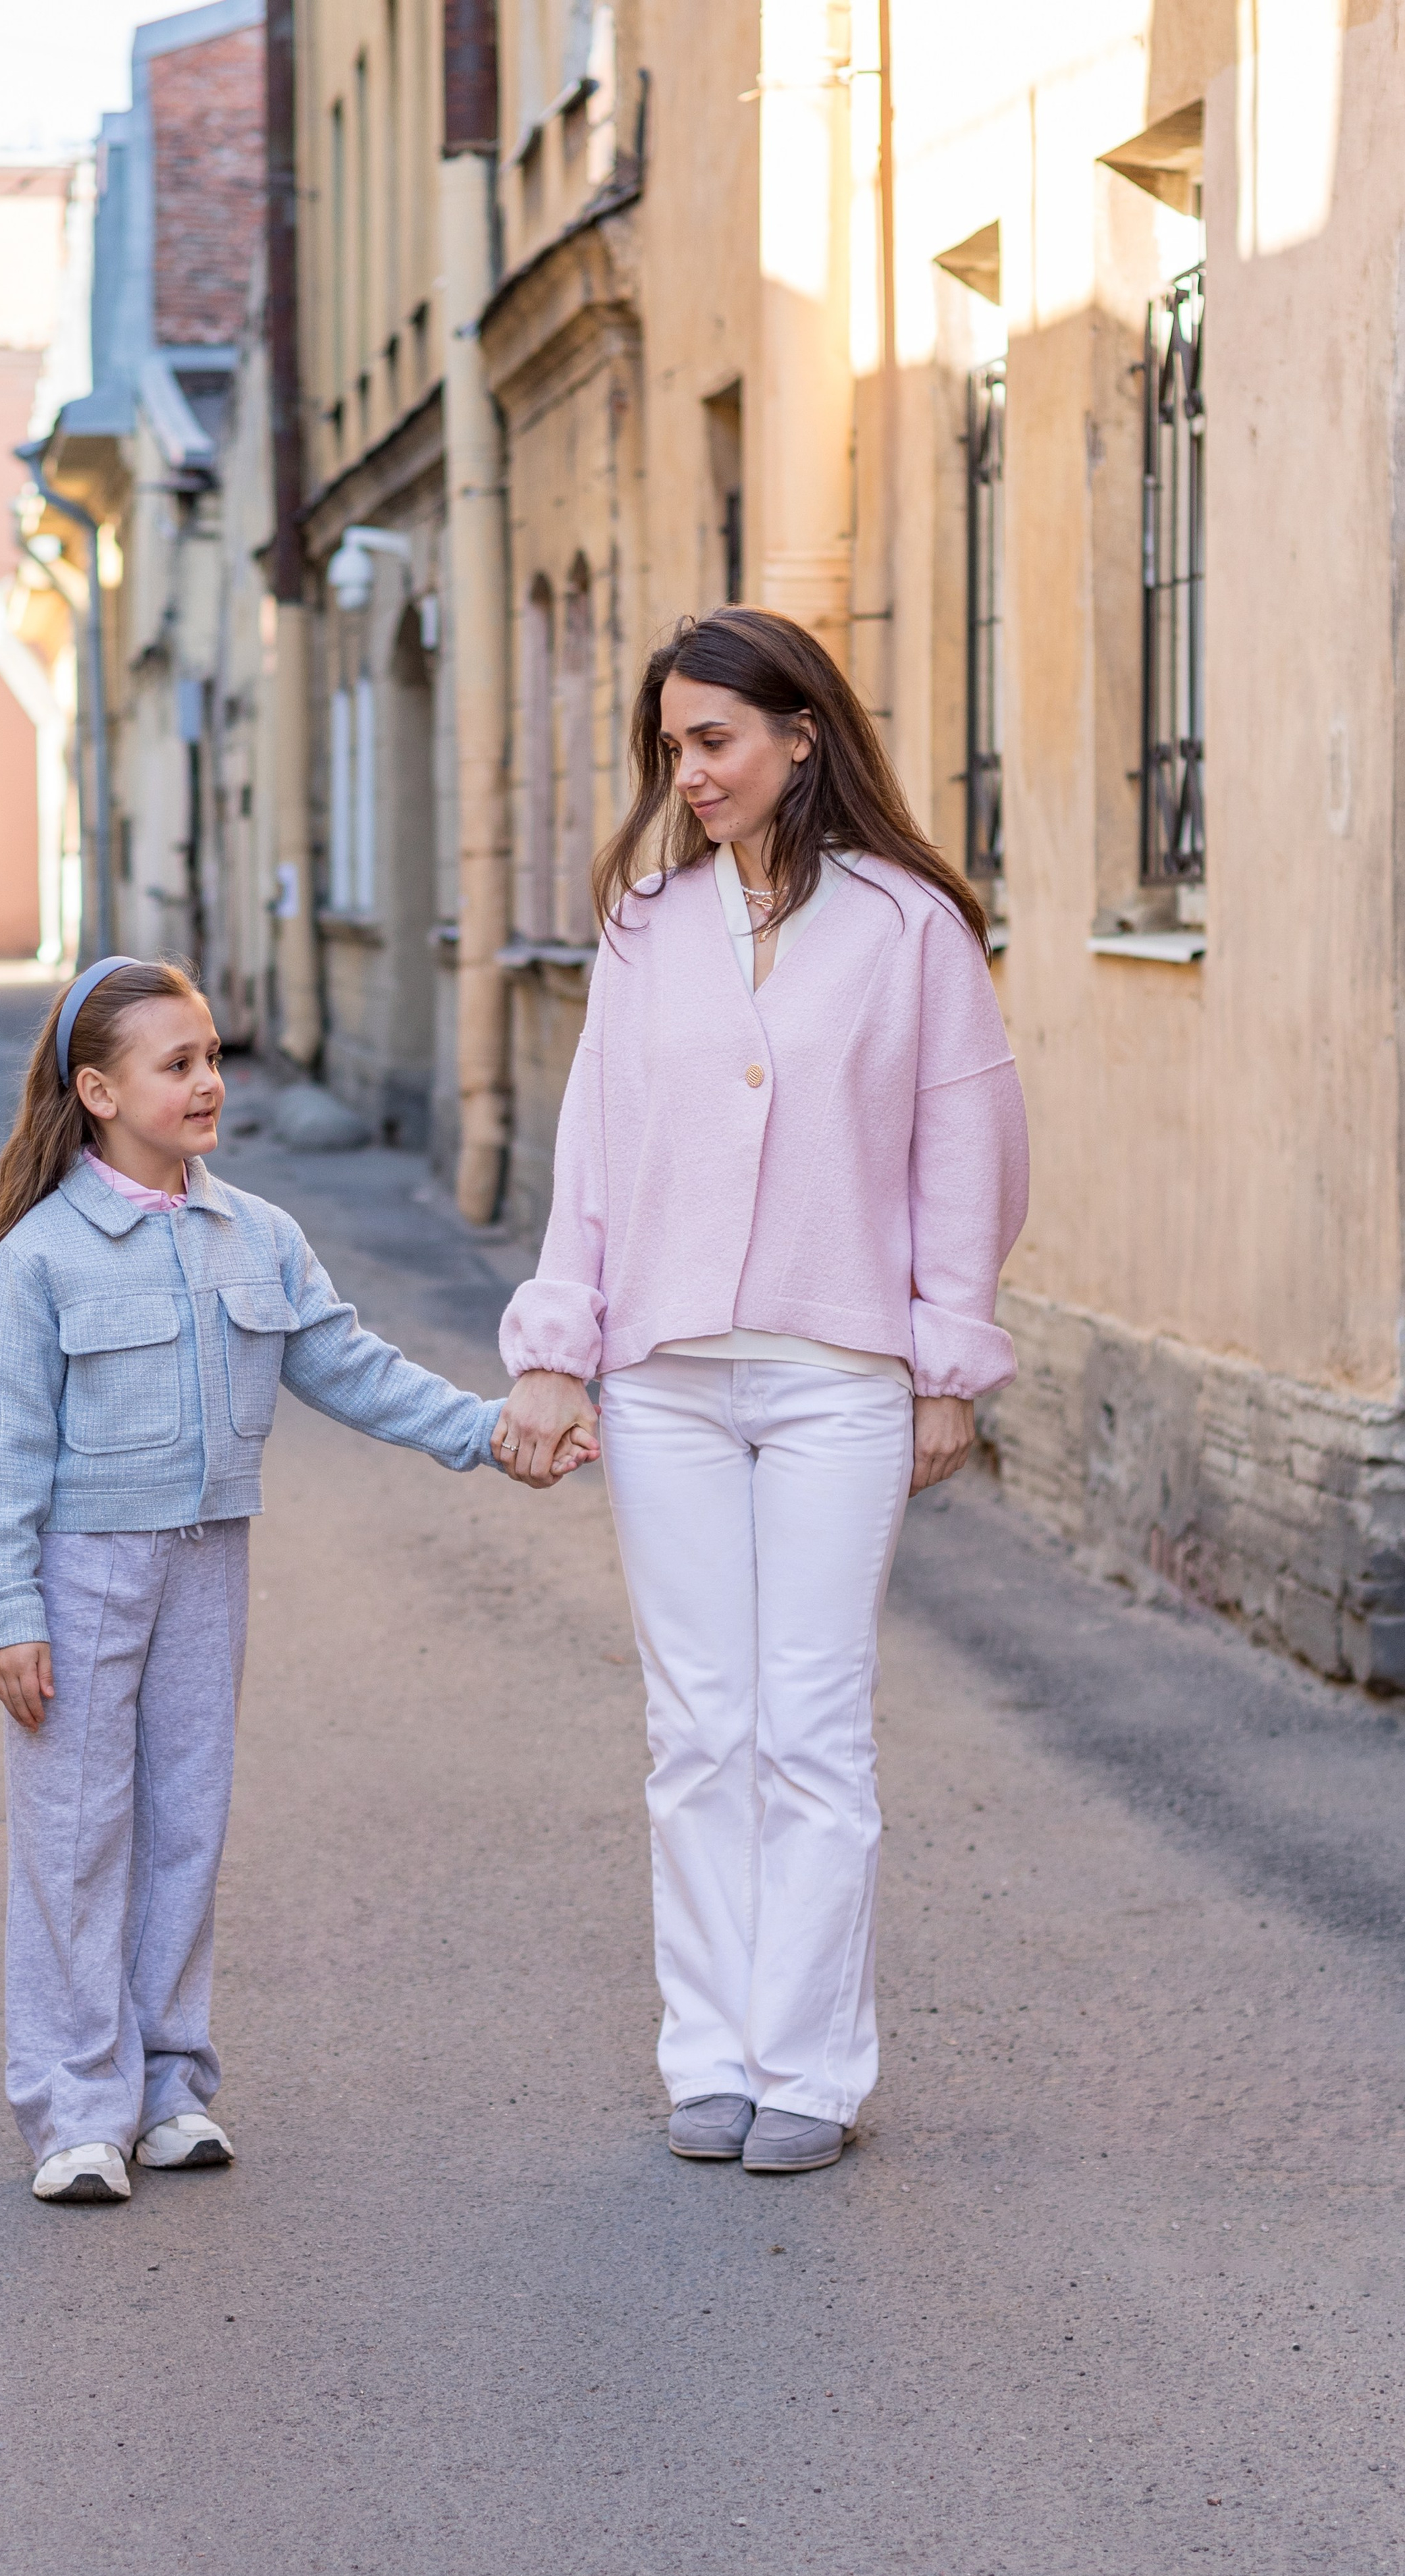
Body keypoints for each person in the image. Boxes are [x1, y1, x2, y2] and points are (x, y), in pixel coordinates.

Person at [493, 608, 1028, 2174]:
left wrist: (945, 1360)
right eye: (671, 747)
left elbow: (966, 1153)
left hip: (835, 1376)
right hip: (662, 1377)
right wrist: (556, 1347)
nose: (689, 772)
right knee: (695, 1731)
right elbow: (593, 1150)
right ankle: (707, 2057)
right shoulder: (646, 923)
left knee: (809, 1727)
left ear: (802, 736)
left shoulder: (909, 927)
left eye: (713, 741)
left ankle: (806, 2068)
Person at [0, 956, 594, 2205]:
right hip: (82, 1574)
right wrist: (7, 1610)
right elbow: (4, 1452)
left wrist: (490, 1433)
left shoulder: (261, 1236)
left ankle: (170, 2086)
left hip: (208, 1564)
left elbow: (355, 1368)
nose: (209, 1081)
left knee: (186, 1822)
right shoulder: (41, 1259)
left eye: (210, 1058)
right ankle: (76, 2109)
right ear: (97, 1093)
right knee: (76, 1836)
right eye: (177, 1064)